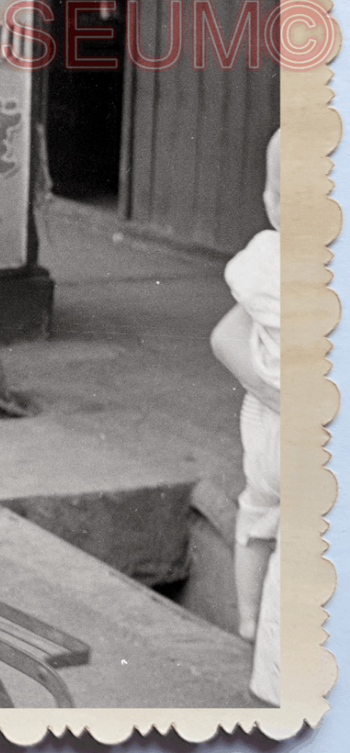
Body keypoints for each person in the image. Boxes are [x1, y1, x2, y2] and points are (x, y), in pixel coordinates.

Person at [211, 128, 281, 705]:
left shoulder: (266, 261)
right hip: (308, 439)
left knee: (257, 516)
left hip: (269, 438)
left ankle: (250, 617)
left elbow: (228, 333)